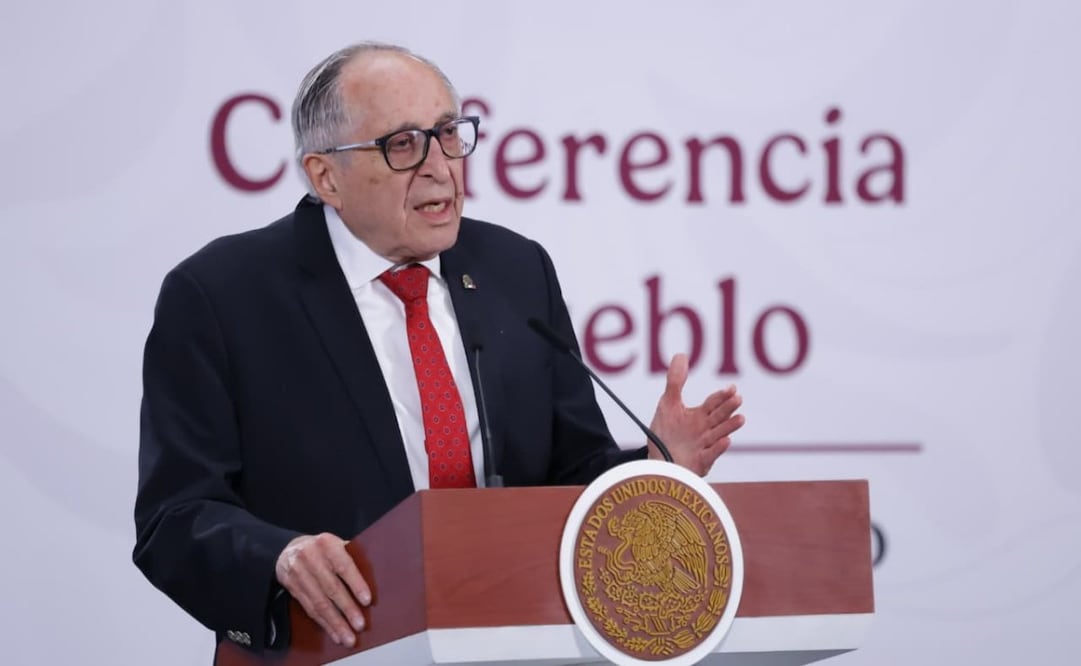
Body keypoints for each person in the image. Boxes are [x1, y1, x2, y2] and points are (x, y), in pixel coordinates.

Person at [133, 42, 745, 656]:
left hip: (512, 644)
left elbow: (567, 475)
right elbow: (175, 517)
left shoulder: (515, 269)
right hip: (330, 650)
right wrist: (280, 557)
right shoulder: (222, 295)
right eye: (403, 145)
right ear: (326, 176)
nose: (439, 167)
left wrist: (651, 468)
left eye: (449, 134)